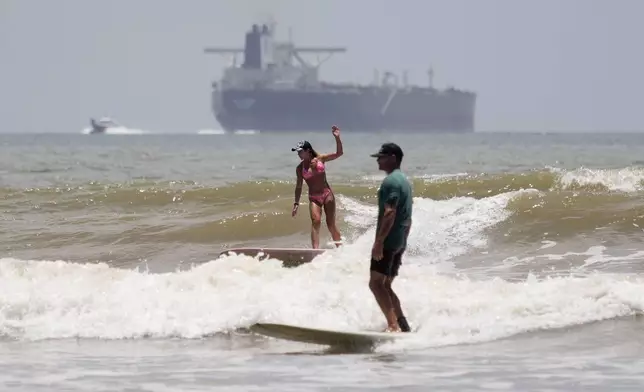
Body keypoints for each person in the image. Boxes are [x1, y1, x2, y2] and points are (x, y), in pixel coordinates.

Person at [368, 142, 413, 333]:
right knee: (385, 284)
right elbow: (408, 217)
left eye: (382, 156)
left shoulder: (391, 182)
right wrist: (402, 241)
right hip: (399, 240)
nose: (378, 160)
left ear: (393, 158)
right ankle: (403, 324)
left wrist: (379, 242)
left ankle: (392, 326)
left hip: (389, 241)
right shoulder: (404, 180)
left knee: (376, 284)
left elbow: (389, 213)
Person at [291, 125, 344, 249]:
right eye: (297, 151)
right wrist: (296, 203)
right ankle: (315, 251)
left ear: (308, 151)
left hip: (327, 194)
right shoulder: (299, 169)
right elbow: (299, 187)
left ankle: (340, 248)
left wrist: (337, 138)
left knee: (331, 224)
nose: (298, 153)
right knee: (316, 221)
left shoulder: (321, 159)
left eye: (300, 151)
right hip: (314, 197)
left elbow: (339, 153)